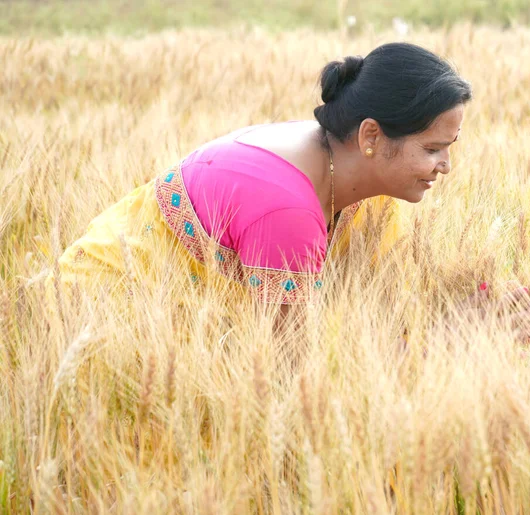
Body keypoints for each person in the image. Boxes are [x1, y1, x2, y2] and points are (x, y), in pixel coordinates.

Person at [49, 42, 474, 322]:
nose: (446, 165)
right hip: (104, 316)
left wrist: (468, 310)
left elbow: (388, 315)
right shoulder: (288, 208)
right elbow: (289, 374)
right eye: (433, 148)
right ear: (371, 136)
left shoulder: (351, 169)